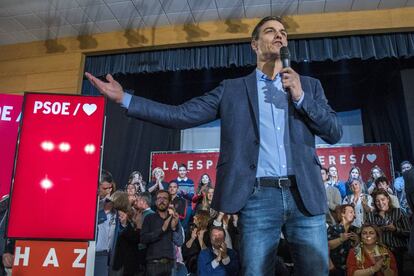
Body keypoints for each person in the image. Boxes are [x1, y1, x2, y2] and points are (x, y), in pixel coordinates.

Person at [85, 15, 342, 275]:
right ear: (254, 44)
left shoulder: (309, 86)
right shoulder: (232, 89)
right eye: (270, 31)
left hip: (305, 196)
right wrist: (125, 99)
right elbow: (181, 115)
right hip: (258, 197)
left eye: (283, 32)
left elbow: (333, 132)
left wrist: (300, 97)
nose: (280, 35)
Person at [365, 189, 410, 274]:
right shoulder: (371, 216)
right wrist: (374, 233)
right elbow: (365, 235)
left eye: (383, 199)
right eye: (377, 201)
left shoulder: (399, 212)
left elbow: (409, 233)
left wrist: (395, 229)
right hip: (377, 253)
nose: (380, 203)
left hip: (397, 251)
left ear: (388, 199)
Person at [140, 190, 184, 276]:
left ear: (169, 202)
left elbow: (179, 242)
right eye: (159, 198)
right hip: (153, 265)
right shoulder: (149, 218)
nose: (162, 200)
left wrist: (173, 228)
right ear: (155, 201)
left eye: (165, 198)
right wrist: (162, 230)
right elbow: (143, 239)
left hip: (171, 265)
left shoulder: (174, 218)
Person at [327, 204, 359, 275]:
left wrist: (357, 241)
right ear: (342, 214)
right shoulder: (333, 228)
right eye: (351, 212)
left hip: (352, 268)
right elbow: (327, 245)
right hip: (336, 269)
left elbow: (358, 250)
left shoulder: (355, 230)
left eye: (354, 212)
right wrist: (341, 240)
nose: (354, 215)